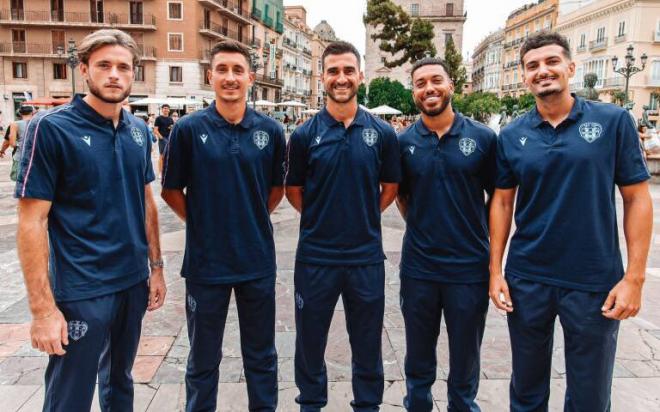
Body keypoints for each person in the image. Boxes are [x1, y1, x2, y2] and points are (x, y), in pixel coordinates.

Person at [489, 31, 652, 411]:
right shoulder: (512, 134)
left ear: (570, 68)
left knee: (590, 397)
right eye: (532, 66)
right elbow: (501, 202)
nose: (542, 71)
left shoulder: (613, 122)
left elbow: (637, 198)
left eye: (551, 62)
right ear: (525, 76)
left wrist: (635, 277)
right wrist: (495, 270)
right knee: (526, 392)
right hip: (528, 277)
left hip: (595, 280)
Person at [14, 29, 166, 412]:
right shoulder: (51, 128)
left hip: (132, 282)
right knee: (70, 395)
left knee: (120, 383)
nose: (114, 74)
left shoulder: (137, 130)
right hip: (82, 289)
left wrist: (157, 267)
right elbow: (32, 222)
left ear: (134, 74)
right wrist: (43, 311)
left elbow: (146, 200)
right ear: (84, 70)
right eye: (104, 65)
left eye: (123, 67)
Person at [162, 40, 285, 412]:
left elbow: (277, 189)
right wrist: (203, 221)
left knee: (262, 355)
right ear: (210, 76)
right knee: (202, 358)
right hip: (205, 263)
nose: (230, 78)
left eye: (237, 70)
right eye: (222, 70)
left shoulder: (272, 131)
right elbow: (170, 190)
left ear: (250, 77)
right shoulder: (187, 129)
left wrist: (248, 215)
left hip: (256, 261)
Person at [285, 41, 401, 411]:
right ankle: (311, 403)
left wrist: (362, 213)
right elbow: (293, 190)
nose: (341, 78)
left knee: (367, 340)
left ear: (360, 76)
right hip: (316, 257)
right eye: (333, 71)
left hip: (365, 257)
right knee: (310, 341)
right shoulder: (304, 135)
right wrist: (322, 216)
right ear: (322, 78)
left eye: (348, 70)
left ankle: (367, 404)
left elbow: (390, 188)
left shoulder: (382, 133)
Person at [396, 57, 497, 412]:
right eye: (420, 83)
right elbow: (402, 197)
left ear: (452, 85)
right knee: (418, 362)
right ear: (414, 92)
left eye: (436, 80)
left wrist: (479, 240)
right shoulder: (403, 141)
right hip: (419, 269)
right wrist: (427, 226)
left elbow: (497, 201)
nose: (429, 88)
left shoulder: (483, 138)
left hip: (468, 269)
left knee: (465, 361)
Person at [2, 105, 34, 180]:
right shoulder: (38, 122)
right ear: (32, 113)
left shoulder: (14, 124)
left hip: (20, 156)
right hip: (35, 156)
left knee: (20, 180)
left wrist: (2, 150)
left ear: (20, 113)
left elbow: (12, 143)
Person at [154, 104, 173, 174]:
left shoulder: (170, 119)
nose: (166, 110)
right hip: (162, 139)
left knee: (169, 155)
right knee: (162, 156)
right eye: (164, 108)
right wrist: (161, 137)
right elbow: (155, 130)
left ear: (169, 110)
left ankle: (167, 171)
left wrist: (171, 128)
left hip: (169, 139)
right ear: (162, 109)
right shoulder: (158, 118)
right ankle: (160, 172)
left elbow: (171, 128)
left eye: (167, 108)